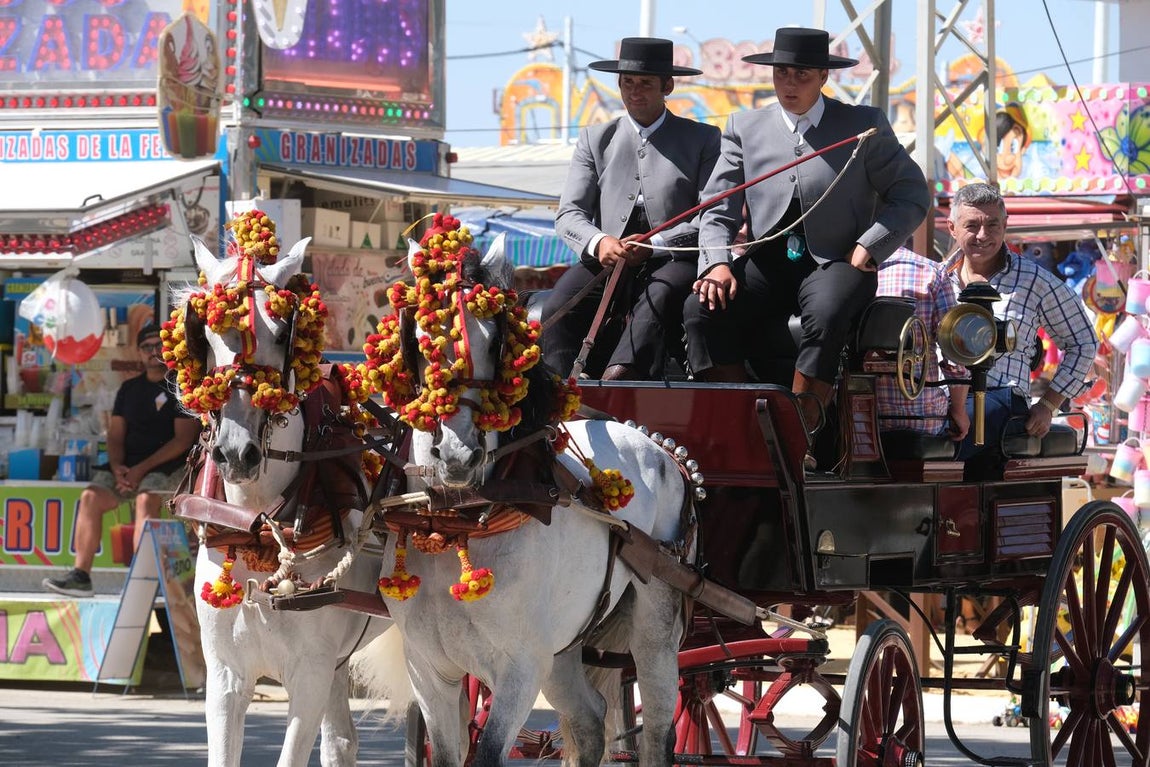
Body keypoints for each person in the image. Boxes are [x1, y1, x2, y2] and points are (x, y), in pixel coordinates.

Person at [683, 27, 929, 457]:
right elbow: (716, 207)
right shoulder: (744, 127)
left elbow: (912, 194)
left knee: (829, 311)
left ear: (822, 77)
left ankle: (799, 429)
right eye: (781, 74)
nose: (789, 84)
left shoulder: (863, 126)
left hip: (835, 262)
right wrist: (717, 263)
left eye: (801, 74)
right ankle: (744, 418)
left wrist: (873, 243)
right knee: (700, 308)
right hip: (767, 263)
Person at [542, 37, 721, 380]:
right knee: (557, 306)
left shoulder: (704, 138)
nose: (634, 91)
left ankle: (621, 376)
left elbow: (710, 215)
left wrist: (656, 245)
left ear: (667, 86)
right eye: (627, 82)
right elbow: (569, 214)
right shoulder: (595, 138)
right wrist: (600, 242)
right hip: (607, 254)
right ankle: (557, 396)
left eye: (645, 83)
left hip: (673, 257)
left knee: (660, 294)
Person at [940, 182, 1097, 462]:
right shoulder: (936, 279)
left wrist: (1048, 404)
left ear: (1005, 225)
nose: (983, 235)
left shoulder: (1033, 280)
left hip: (1000, 398)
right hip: (938, 397)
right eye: (972, 225)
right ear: (952, 227)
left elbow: (1083, 342)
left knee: (945, 440)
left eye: (992, 225)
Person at [43, 323, 200, 597]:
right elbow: (115, 436)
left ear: (169, 350)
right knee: (90, 497)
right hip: (128, 466)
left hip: (170, 465)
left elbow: (183, 441)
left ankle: (141, 583)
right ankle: (81, 576)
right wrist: (118, 468)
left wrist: (139, 470)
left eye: (158, 346)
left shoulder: (181, 385)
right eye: (147, 347)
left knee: (145, 499)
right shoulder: (128, 389)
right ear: (139, 353)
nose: (153, 352)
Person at [874, 247, 969, 440]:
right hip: (920, 416)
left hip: (856, 415)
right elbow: (954, 353)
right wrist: (959, 410)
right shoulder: (930, 272)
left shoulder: (843, 269)